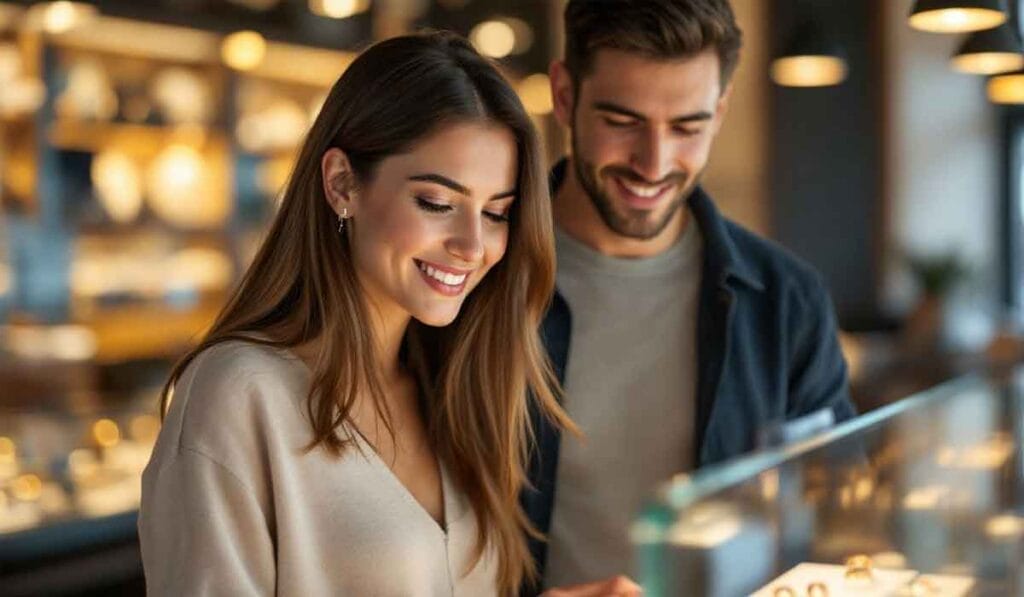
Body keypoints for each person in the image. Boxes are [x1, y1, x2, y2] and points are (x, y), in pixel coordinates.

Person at [138, 31, 578, 596]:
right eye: (438, 204)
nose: (473, 245)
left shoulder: (452, 387)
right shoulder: (238, 396)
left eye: (496, 214)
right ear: (342, 182)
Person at [521, 0, 858, 593]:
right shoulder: (479, 279)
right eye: (623, 121)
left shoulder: (788, 301)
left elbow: (834, 520)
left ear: (720, 110)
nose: (654, 164)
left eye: (687, 127)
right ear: (566, 95)